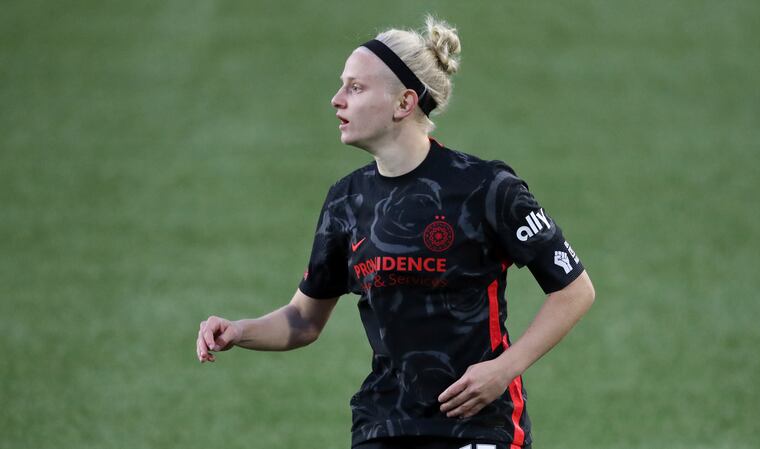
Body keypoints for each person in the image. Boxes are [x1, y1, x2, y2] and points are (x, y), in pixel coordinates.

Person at [196, 16, 595, 449]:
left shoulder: (485, 187)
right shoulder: (347, 200)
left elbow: (574, 290)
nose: (336, 100)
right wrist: (239, 330)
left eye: (355, 87)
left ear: (404, 103)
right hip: (384, 425)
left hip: (478, 426)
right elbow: (304, 320)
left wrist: (504, 370)